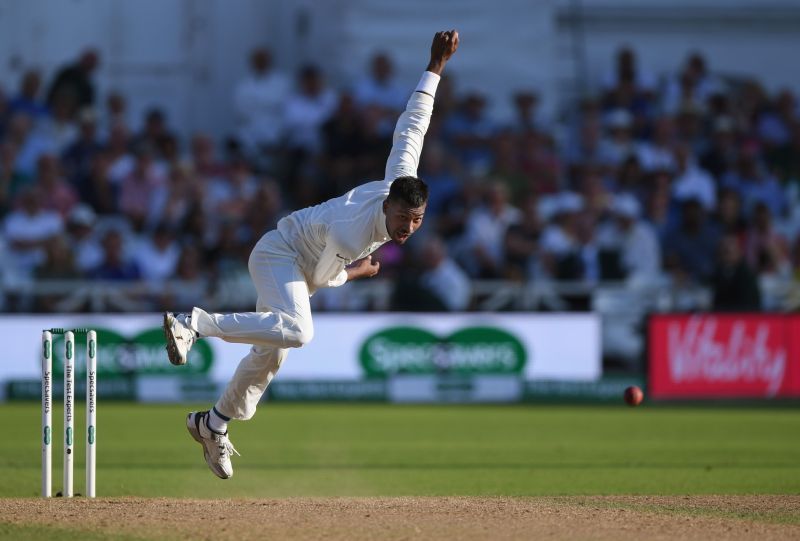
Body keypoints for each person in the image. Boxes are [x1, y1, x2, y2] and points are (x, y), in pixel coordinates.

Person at [162, 30, 460, 480]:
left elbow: (412, 125)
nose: (408, 228)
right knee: (299, 331)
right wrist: (356, 273)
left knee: (271, 354)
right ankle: (194, 324)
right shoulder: (354, 231)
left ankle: (212, 424)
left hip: (298, 262)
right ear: (387, 206)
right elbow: (323, 278)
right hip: (280, 254)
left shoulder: (400, 180)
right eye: (403, 218)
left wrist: (435, 68)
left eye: (417, 220)